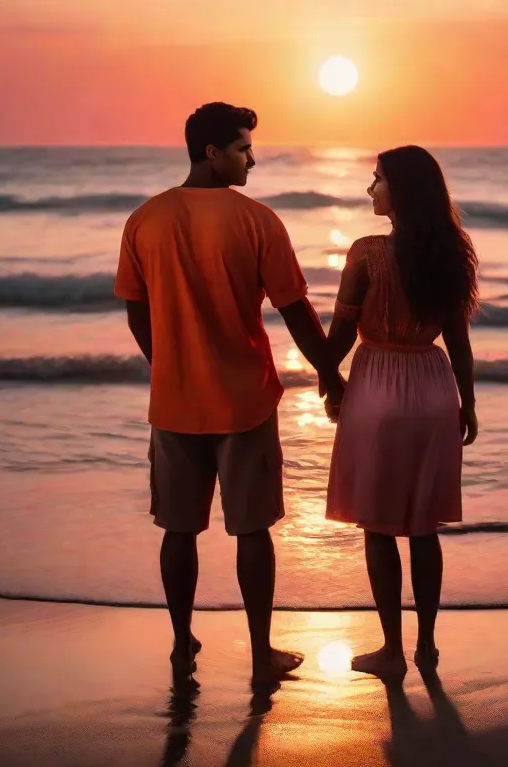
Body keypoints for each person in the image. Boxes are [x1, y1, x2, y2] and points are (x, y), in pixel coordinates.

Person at [114, 102, 344, 684]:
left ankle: (180, 642)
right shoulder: (257, 220)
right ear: (211, 153)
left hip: (174, 402)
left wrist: (167, 366)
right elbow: (295, 309)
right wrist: (329, 371)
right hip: (244, 401)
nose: (252, 158)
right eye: (243, 148)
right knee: (252, 529)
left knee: (178, 529)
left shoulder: (145, 218)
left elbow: (136, 311)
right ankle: (261, 652)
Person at [324, 145, 479, 677]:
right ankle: (428, 646)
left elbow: (342, 331)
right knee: (424, 526)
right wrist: (468, 403)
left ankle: (391, 649)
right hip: (435, 391)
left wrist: (328, 379)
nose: (371, 189)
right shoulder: (451, 251)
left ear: (402, 191)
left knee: (378, 525)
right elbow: (458, 340)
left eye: (378, 179)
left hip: (379, 389)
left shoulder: (367, 252)